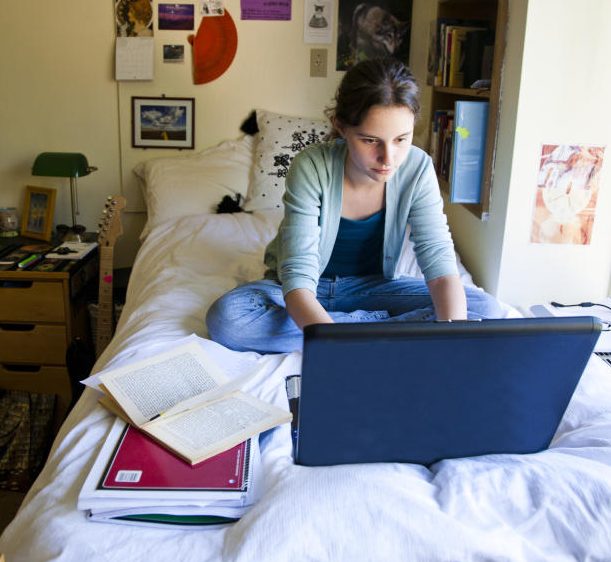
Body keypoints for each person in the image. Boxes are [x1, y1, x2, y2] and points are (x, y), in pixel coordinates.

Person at [206, 57, 502, 353]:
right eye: (370, 140)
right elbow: (297, 278)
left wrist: (453, 341)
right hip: (307, 290)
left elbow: (440, 265)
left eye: (401, 139)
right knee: (228, 320)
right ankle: (376, 330)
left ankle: (348, 328)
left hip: (374, 287)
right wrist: (335, 346)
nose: (389, 158)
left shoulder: (418, 168)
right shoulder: (312, 165)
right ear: (341, 127)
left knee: (483, 309)